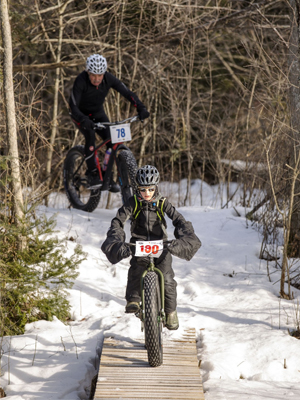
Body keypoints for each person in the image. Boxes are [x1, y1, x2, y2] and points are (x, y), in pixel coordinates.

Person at [101, 165, 201, 330]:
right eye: (143, 189)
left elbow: (179, 220)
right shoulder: (132, 203)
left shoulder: (162, 203)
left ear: (156, 187)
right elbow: (118, 221)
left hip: (160, 244)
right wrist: (117, 239)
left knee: (168, 279)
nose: (147, 193)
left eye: (150, 189)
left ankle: (170, 312)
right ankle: (133, 299)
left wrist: (184, 236)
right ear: (137, 189)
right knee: (136, 270)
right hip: (139, 244)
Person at [69, 54, 150, 189]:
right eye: (93, 75)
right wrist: (83, 119)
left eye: (99, 75)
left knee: (112, 140)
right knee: (90, 137)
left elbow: (127, 93)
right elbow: (73, 106)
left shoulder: (108, 78)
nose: (97, 79)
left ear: (104, 73)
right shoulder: (81, 80)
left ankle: (107, 177)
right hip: (80, 115)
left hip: (98, 114)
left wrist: (141, 107)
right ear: (88, 72)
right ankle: (93, 173)